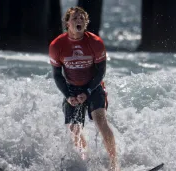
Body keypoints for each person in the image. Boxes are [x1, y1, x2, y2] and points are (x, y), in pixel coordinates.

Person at [49, 6, 120, 171]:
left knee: (100, 120)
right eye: (75, 18)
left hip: (93, 86)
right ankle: (84, 161)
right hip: (71, 88)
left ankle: (114, 164)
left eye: (82, 18)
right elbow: (57, 75)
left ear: (86, 23)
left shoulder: (95, 43)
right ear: (67, 23)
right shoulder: (57, 45)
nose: (79, 21)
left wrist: (87, 91)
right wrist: (67, 95)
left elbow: (101, 71)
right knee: (74, 129)